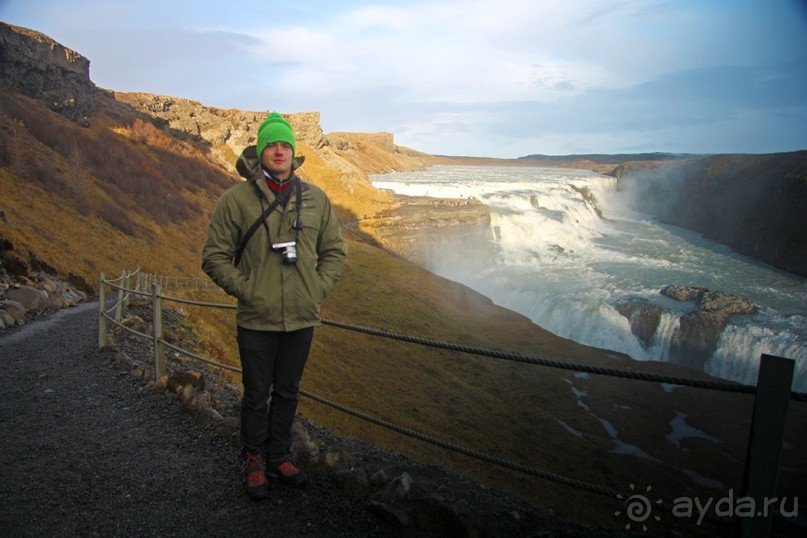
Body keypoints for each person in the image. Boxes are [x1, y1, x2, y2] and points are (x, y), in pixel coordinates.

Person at [202, 112, 346, 500]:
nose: (279, 151)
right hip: (256, 318)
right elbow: (213, 257)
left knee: (288, 392)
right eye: (272, 145)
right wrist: (247, 290)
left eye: (285, 145)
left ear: (294, 154)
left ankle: (279, 455)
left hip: (302, 316)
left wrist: (317, 287)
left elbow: (334, 250)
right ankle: (253, 459)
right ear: (260, 151)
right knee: (255, 393)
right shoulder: (235, 201)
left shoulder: (315, 199)